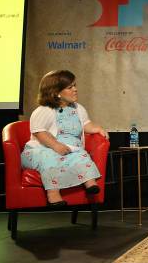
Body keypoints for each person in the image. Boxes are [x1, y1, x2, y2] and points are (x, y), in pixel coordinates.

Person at [21, 70, 108, 206]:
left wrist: (97, 128)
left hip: (69, 149)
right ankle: (53, 194)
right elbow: (39, 132)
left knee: (80, 154)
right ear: (56, 92)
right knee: (49, 157)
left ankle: (90, 183)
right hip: (42, 149)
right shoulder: (44, 110)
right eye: (70, 87)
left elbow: (86, 124)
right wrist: (56, 145)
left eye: (75, 85)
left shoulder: (78, 109)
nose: (75, 89)